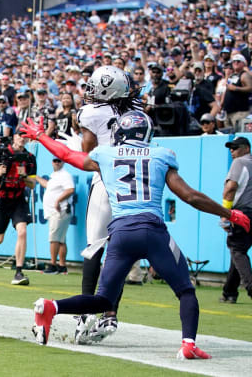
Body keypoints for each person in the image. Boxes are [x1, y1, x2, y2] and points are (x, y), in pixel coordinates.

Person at [21, 110, 250, 358]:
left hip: (120, 233)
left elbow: (66, 154)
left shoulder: (105, 155)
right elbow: (190, 196)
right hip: (152, 231)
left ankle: (50, 307)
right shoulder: (162, 154)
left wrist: (41, 136)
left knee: (103, 300)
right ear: (148, 133)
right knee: (185, 290)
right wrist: (230, 214)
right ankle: (188, 345)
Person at [72, 65, 142, 342]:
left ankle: (86, 313)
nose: (89, 90)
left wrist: (77, 140)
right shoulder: (138, 116)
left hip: (105, 181)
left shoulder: (91, 113)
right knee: (120, 252)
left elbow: (86, 150)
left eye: (94, 86)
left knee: (94, 248)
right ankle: (110, 314)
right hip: (134, 186)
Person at [0, 134, 36, 285]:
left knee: (22, 231)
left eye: (25, 137)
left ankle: (18, 272)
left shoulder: (29, 158)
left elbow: (32, 184)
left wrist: (24, 177)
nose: (22, 139)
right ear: (14, 138)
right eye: (20, 136)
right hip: (2, 198)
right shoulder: (1, 153)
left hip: (18, 199)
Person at [220, 137, 252, 303]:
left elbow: (231, 188)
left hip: (243, 212)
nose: (232, 151)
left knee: (237, 249)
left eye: (236, 148)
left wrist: (225, 213)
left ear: (246, 148)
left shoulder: (240, 162)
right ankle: (229, 292)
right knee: (238, 251)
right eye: (231, 148)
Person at [35, 158, 74, 274]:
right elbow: (48, 186)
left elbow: (70, 189)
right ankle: (62, 266)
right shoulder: (55, 175)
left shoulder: (65, 175)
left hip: (59, 210)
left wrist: (58, 201)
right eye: (55, 160)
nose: (57, 162)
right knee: (61, 239)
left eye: (59, 161)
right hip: (56, 211)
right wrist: (35, 177)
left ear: (63, 162)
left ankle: (53, 265)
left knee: (54, 239)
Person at [221, 54, 252, 131]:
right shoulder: (232, 75)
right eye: (234, 61)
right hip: (228, 112)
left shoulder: (244, 75)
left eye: (238, 61)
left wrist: (236, 88)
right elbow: (227, 89)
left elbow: (250, 88)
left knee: (239, 134)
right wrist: (222, 103)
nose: (236, 63)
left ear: (243, 63)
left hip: (240, 112)